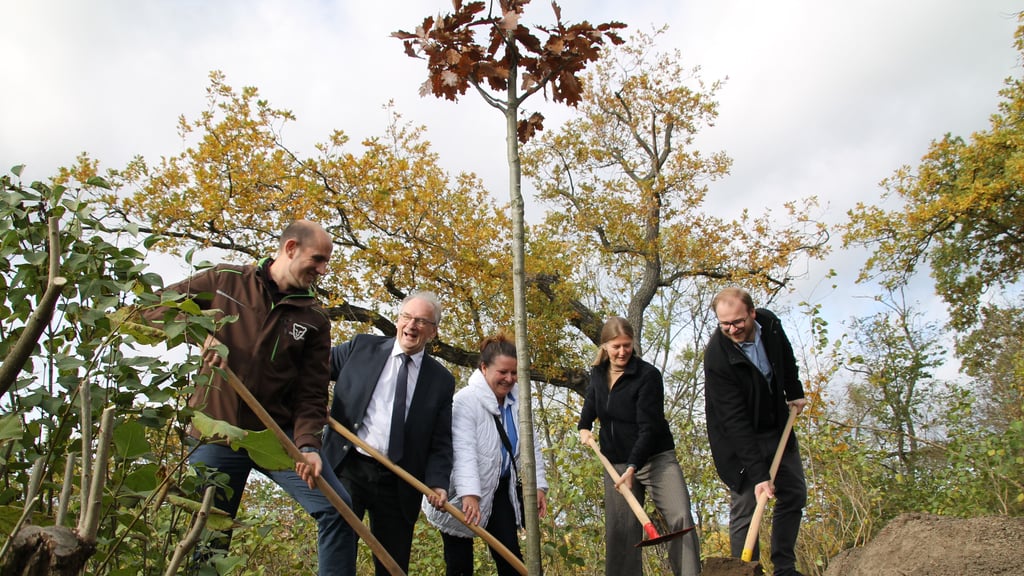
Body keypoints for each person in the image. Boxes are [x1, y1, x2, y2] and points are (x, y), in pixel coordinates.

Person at [145, 219, 356, 576]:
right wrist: (197, 332)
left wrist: (308, 446)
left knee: (339, 511)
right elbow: (154, 308)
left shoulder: (315, 318)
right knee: (209, 535)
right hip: (217, 431)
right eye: (317, 259)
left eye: (326, 263)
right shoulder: (225, 281)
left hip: (276, 436)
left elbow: (312, 393)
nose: (321, 270)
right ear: (290, 248)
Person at [321, 291, 455, 575]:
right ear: (397, 320)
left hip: (400, 481)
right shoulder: (361, 347)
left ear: (433, 331)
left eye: (421, 321)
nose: (412, 325)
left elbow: (441, 441)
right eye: (407, 317)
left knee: (392, 566)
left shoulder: (441, 380)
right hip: (349, 468)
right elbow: (312, 368)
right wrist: (312, 404)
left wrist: (438, 482)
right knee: (338, 554)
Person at [578, 317, 702, 576]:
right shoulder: (599, 374)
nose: (622, 352)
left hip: (656, 459)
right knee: (621, 531)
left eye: (627, 345)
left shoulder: (647, 376)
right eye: (616, 347)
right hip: (616, 462)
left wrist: (634, 465)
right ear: (604, 347)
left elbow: (649, 427)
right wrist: (584, 426)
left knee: (680, 516)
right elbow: (592, 401)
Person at [423, 332, 549, 576]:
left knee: (511, 559)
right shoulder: (465, 402)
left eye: (513, 373)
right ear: (484, 368)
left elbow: (531, 447)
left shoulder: (519, 401)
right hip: (459, 492)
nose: (509, 378)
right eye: (502, 372)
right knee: (460, 566)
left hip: (499, 489)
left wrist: (539, 487)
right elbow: (463, 450)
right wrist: (470, 494)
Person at [703, 287, 808, 576]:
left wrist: (794, 392)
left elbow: (786, 360)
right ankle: (747, 572)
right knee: (748, 507)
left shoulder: (770, 324)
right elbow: (734, 420)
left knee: (794, 494)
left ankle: (785, 568)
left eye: (738, 321)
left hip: (776, 428)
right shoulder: (717, 357)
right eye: (725, 324)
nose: (733, 329)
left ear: (752, 312)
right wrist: (759, 475)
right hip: (738, 440)